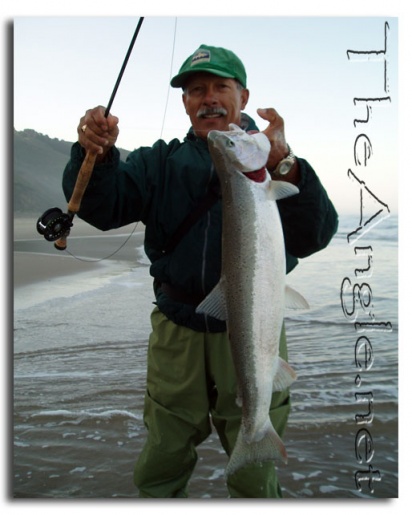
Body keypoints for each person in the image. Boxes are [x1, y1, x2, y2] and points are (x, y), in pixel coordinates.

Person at [62, 44, 338, 498]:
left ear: (243, 97)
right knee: (163, 457)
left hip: (256, 327)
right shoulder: (159, 162)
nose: (208, 98)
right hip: (178, 331)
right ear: (185, 103)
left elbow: (317, 233)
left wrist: (285, 163)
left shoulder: (271, 165)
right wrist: (96, 153)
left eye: (220, 87)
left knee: (254, 477)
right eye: (195, 90)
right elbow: (101, 205)